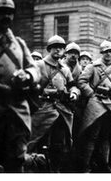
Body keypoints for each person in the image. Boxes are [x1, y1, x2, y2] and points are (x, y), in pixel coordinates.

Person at [0, 0, 41, 172]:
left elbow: (35, 69)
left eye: (10, 13)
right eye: (1, 12)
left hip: (18, 110)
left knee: (17, 158)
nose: (7, 17)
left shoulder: (19, 43)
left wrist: (27, 76)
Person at [27, 35, 80, 172]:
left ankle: (55, 171)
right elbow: (30, 86)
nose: (58, 50)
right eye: (54, 48)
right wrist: (44, 92)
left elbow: (73, 85)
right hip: (43, 109)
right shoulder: (39, 65)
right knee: (38, 143)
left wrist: (74, 93)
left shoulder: (65, 69)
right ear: (49, 49)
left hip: (62, 111)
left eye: (61, 48)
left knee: (59, 144)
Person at [76, 40, 111, 172]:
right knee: (92, 136)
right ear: (101, 53)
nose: (108, 54)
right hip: (97, 104)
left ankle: (104, 165)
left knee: (107, 136)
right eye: (105, 51)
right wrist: (91, 94)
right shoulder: (92, 66)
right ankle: (85, 166)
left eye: (110, 51)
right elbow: (82, 81)